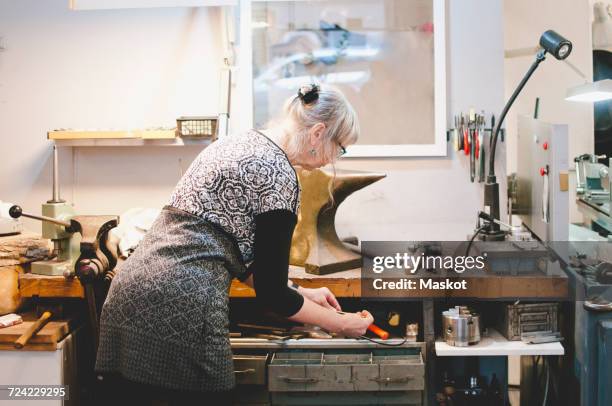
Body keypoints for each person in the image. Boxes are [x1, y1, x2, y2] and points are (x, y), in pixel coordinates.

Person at [95, 84, 374, 405]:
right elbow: (273, 297)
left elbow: (239, 254)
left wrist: (300, 291)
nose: (335, 158)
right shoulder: (278, 177)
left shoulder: (237, 143)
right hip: (181, 309)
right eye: (340, 148)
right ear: (318, 133)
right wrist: (342, 324)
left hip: (128, 295)